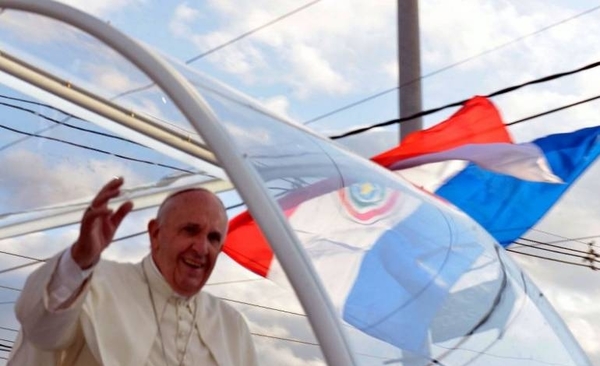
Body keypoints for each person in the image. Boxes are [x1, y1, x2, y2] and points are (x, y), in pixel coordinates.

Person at [7, 177, 258, 366]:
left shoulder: (232, 326)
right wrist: (80, 258)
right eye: (190, 230)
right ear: (156, 234)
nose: (202, 248)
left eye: (214, 238)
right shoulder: (94, 284)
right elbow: (42, 330)